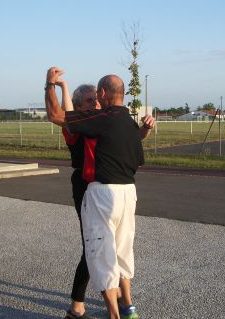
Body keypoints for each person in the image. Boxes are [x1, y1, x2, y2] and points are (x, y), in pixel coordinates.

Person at [46, 67, 149, 319]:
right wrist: (60, 87)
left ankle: (112, 309)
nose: (94, 103)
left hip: (102, 191)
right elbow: (65, 114)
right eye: (89, 101)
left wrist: (51, 84)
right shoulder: (115, 121)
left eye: (96, 98)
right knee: (107, 251)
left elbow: (58, 114)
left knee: (100, 252)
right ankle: (115, 307)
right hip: (119, 190)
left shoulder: (101, 120)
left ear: (103, 93)